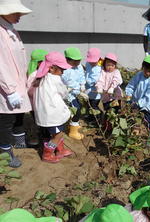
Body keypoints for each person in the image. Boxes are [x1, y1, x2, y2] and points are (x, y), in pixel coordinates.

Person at [0, 0, 32, 168]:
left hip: (17, 83)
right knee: (6, 120)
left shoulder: (11, 30)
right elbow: (1, 65)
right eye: (16, 12)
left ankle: (20, 143)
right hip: (6, 86)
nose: (20, 15)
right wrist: (10, 90)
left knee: (19, 115)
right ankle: (5, 153)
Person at [33, 52, 73, 163]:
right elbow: (63, 93)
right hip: (52, 113)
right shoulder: (54, 79)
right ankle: (47, 153)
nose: (63, 72)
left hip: (45, 113)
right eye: (62, 70)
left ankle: (60, 150)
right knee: (58, 134)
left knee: (57, 133)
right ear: (51, 68)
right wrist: (68, 90)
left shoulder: (40, 77)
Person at [125, 55, 150, 139]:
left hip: (149, 105)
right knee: (134, 119)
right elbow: (131, 85)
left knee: (147, 121)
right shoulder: (139, 75)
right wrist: (129, 94)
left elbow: (148, 98)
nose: (147, 73)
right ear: (142, 67)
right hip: (136, 102)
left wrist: (137, 104)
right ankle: (135, 135)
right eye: (145, 70)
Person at [62, 47, 86, 140]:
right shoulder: (65, 69)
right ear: (67, 60)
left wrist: (82, 84)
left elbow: (81, 75)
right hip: (67, 93)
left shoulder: (79, 66)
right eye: (74, 61)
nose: (77, 62)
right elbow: (69, 82)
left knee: (77, 107)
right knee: (76, 111)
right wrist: (78, 91)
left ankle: (73, 125)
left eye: (79, 60)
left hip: (75, 92)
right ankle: (73, 132)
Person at [85, 48, 102, 117]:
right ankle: (91, 117)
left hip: (95, 91)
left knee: (94, 106)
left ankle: (99, 117)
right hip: (88, 90)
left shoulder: (99, 67)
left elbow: (95, 79)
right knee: (89, 105)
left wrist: (86, 81)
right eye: (90, 61)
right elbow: (87, 72)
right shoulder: (88, 64)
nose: (92, 63)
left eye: (93, 61)